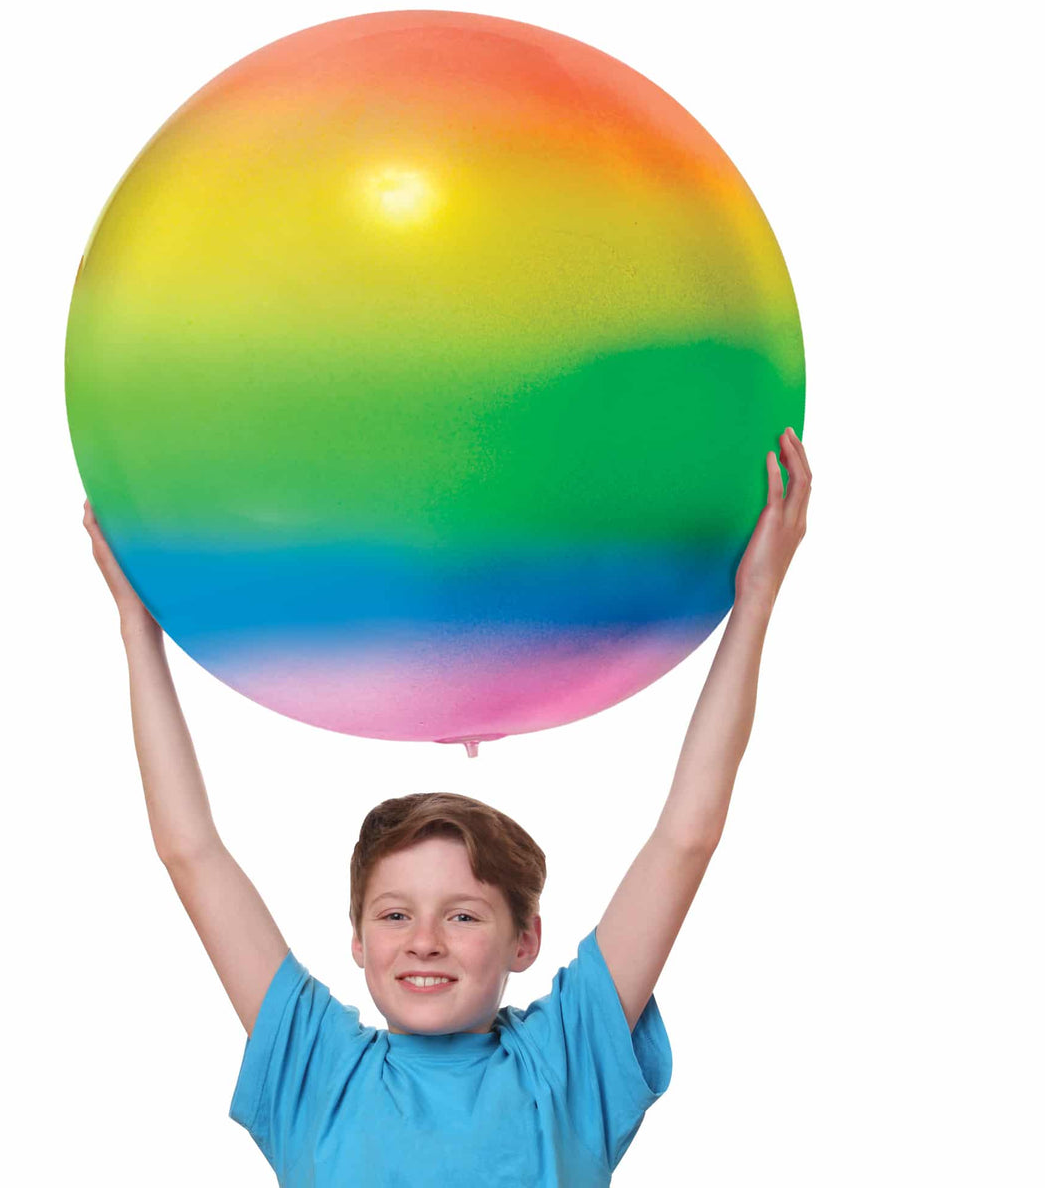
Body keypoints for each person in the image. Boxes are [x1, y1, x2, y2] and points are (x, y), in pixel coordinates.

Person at [82, 427, 812, 1185]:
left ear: (525, 941)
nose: (423, 941)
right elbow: (190, 851)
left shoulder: (567, 1060)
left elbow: (684, 839)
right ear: (358, 941)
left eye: (463, 915)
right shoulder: (318, 1072)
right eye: (395, 915)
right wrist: (139, 632)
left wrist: (755, 603)